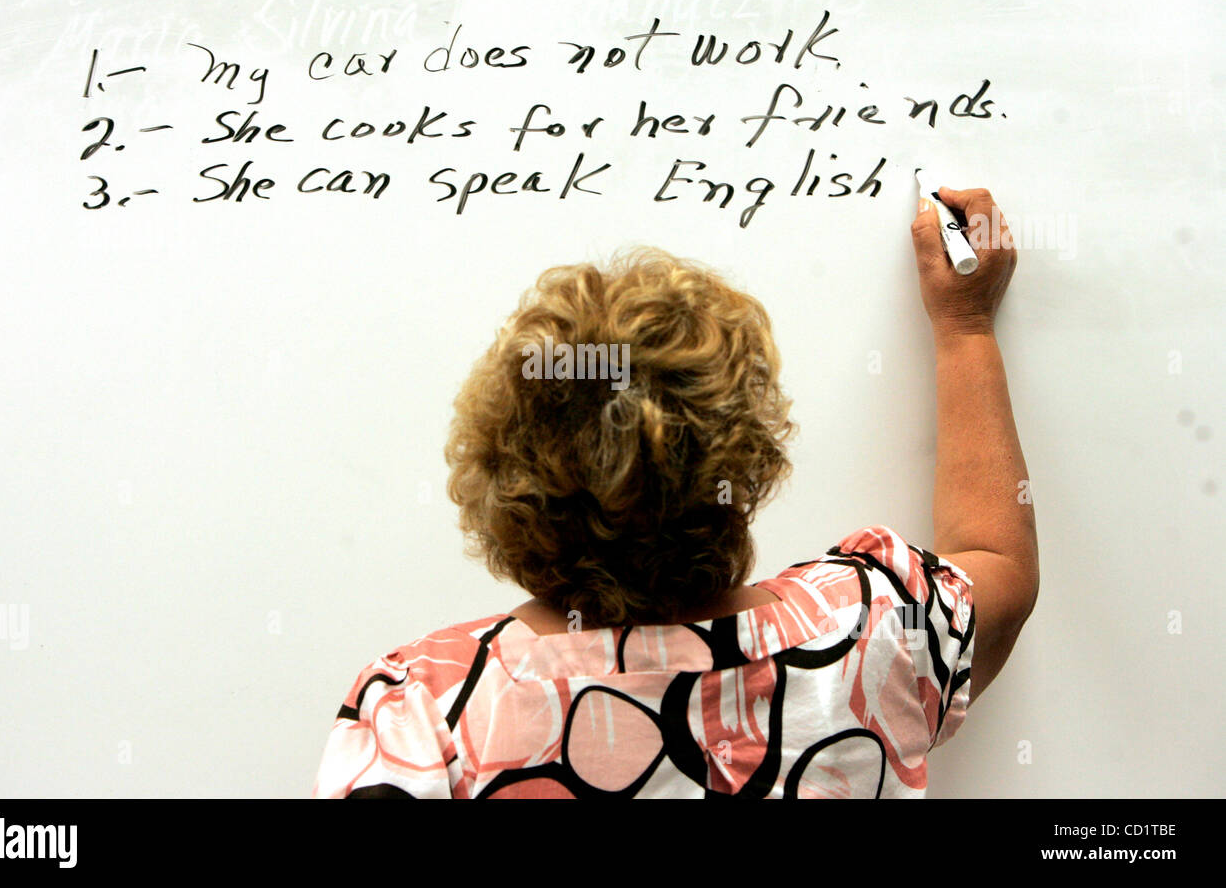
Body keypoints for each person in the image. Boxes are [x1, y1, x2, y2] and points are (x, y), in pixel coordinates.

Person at [312, 187, 1039, 798]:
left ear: (498, 475)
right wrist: (964, 326)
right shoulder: (870, 637)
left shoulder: (425, 717)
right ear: (748, 458)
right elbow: (998, 558)